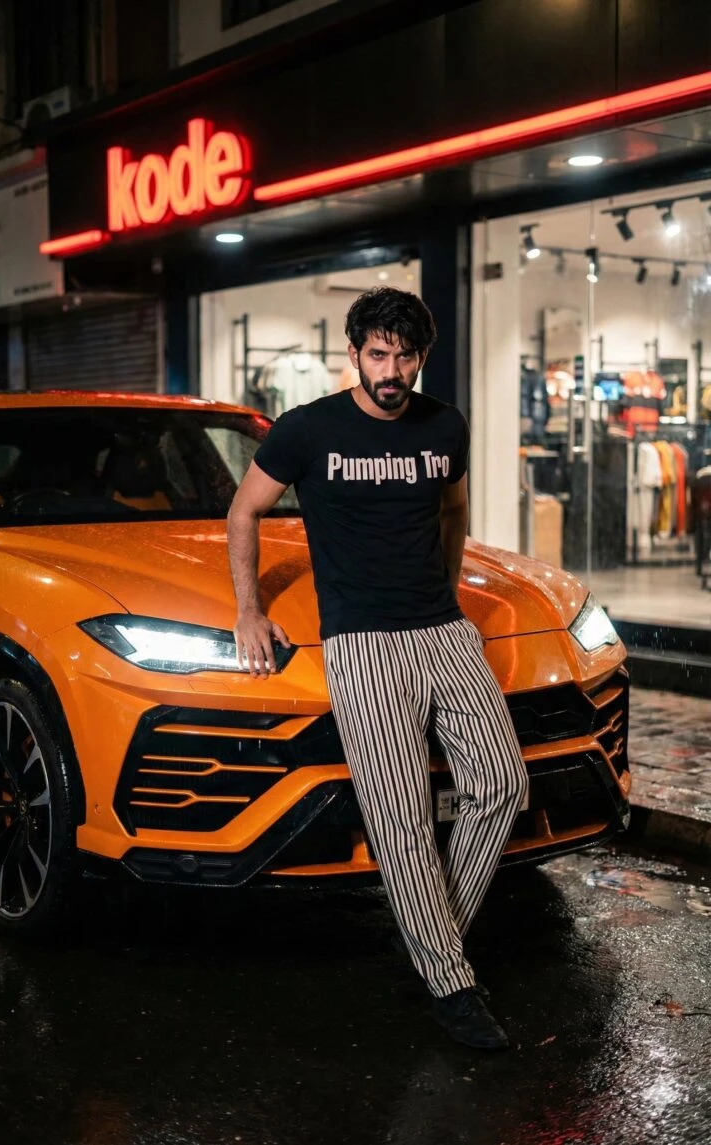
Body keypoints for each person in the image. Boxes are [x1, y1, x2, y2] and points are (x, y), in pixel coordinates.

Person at [226, 287, 529, 1050]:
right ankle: (452, 985)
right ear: (355, 353)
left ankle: (433, 939)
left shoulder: (445, 424)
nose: (392, 369)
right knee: (401, 816)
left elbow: (454, 512)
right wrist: (248, 611)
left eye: (405, 355)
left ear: (422, 356)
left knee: (502, 781)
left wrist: (449, 585)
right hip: (360, 642)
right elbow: (243, 511)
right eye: (378, 353)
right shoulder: (307, 429)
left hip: (443, 627)